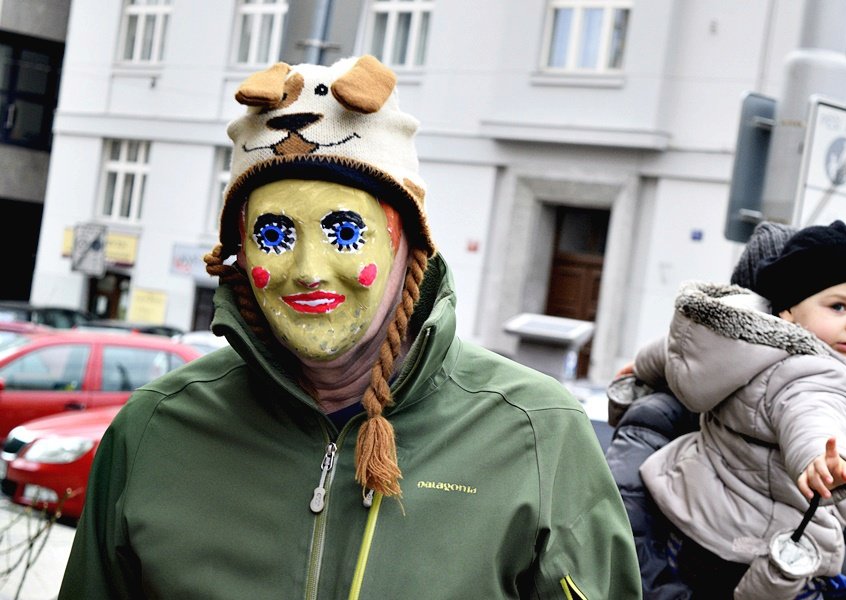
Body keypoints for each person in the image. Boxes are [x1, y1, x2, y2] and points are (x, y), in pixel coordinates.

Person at [57, 55, 641, 599]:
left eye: (343, 232)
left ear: (409, 242)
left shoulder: (536, 434)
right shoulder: (156, 430)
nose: (309, 273)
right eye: (274, 236)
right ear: (238, 254)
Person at [610, 220, 846, 599]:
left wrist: (638, 370)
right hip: (760, 558)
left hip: (707, 541)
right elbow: (811, 416)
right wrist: (817, 458)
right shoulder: (822, 379)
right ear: (782, 315)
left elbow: (675, 350)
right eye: (839, 307)